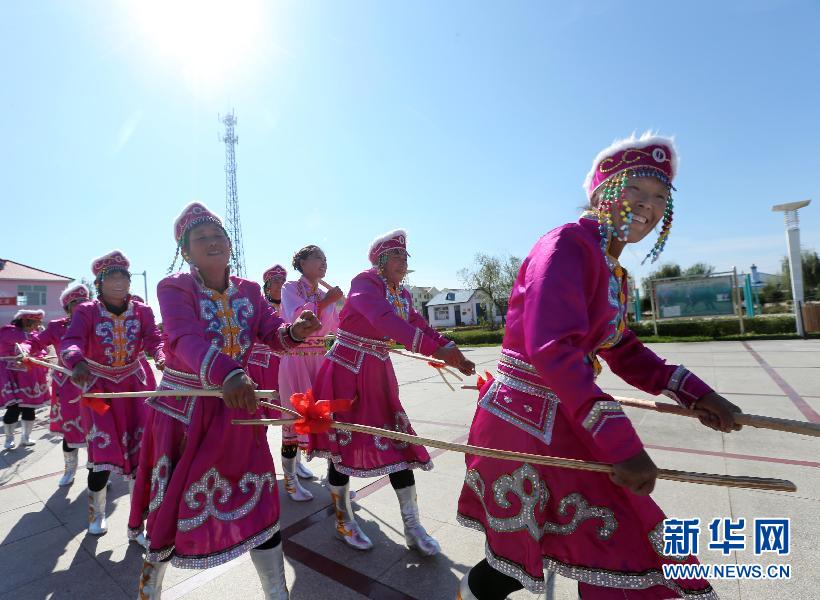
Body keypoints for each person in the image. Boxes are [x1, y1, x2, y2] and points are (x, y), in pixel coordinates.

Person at [455, 133, 742, 600]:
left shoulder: (611, 270)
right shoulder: (567, 243)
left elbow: (621, 347)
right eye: (635, 189)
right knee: (618, 544)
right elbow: (552, 349)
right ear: (602, 191)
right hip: (525, 423)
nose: (648, 206)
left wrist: (694, 393)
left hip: (563, 415)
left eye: (660, 197)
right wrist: (619, 443)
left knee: (601, 546)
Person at [129, 202, 321, 599]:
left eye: (219, 236)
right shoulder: (174, 287)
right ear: (185, 250)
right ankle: (151, 588)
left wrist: (297, 331)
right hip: (186, 413)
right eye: (201, 238)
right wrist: (230, 373)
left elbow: (272, 334)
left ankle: (276, 593)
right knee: (172, 510)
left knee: (261, 499)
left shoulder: (250, 291)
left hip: (238, 411)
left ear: (230, 244)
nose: (213, 242)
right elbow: (183, 339)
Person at [308, 229, 475, 553]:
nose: (403, 261)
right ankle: (343, 519)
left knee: (399, 445)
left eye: (405, 256)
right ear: (381, 261)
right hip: (347, 372)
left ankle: (413, 528)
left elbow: (418, 324)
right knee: (342, 448)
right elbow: (384, 321)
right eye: (397, 256)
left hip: (378, 376)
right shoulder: (365, 283)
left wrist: (451, 351)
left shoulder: (402, 294)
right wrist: (433, 349)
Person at [61, 250, 165, 538]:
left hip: (134, 387)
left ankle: (138, 525)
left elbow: (153, 339)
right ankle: (96, 514)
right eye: (112, 278)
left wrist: (159, 354)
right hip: (98, 390)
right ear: (100, 283)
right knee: (102, 451)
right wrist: (77, 361)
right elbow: (71, 341)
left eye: (124, 277)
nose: (119, 283)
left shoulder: (142, 310)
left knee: (142, 455)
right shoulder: (86, 311)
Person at [277, 246, 343, 501]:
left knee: (326, 419)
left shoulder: (325, 292)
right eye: (317, 258)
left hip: (320, 359)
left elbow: (338, 326)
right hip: (296, 358)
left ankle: (331, 475)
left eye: (325, 259)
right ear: (302, 263)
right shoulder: (290, 288)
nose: (323, 262)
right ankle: (291, 481)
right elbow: (298, 318)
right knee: (293, 421)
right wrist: (327, 302)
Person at [21, 283, 90, 486]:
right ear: (67, 308)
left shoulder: (98, 323)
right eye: (77, 303)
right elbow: (34, 342)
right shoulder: (56, 327)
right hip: (67, 386)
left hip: (95, 384)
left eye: (85, 302)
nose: (82, 306)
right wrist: (24, 349)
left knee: (96, 430)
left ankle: (98, 472)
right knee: (71, 432)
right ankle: (69, 469)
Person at [0, 309, 49, 449]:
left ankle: (26, 437)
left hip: (29, 374)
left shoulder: (34, 334)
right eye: (36, 322)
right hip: (11, 373)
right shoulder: (8, 331)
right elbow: (23, 340)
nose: (38, 325)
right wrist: (38, 338)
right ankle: (9, 438)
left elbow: (41, 349)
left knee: (29, 408)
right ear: (25, 321)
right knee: (13, 408)